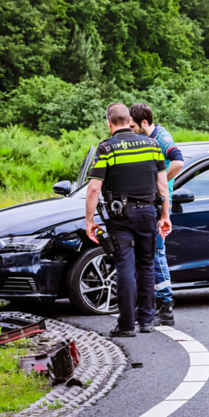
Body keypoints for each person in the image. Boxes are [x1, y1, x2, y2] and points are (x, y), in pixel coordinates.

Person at [85, 104, 171, 337]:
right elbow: (162, 185)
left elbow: (94, 189)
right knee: (146, 266)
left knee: (125, 266)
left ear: (109, 123)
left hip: (120, 216)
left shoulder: (107, 148)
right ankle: (146, 321)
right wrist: (165, 215)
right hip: (148, 215)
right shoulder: (152, 145)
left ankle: (126, 325)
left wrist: (89, 221)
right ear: (129, 120)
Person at [129, 103, 183, 326]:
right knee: (148, 254)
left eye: (132, 126)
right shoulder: (147, 140)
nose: (130, 130)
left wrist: (159, 182)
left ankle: (166, 306)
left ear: (143, 123)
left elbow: (178, 161)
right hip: (151, 201)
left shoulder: (161, 137)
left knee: (157, 253)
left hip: (161, 202)